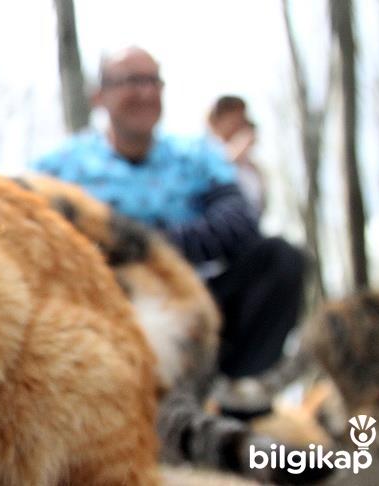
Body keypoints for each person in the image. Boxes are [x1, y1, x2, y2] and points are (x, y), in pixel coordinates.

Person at [32, 47, 305, 407]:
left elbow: (239, 222)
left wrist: (149, 248)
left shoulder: (196, 156)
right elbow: (29, 234)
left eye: (153, 80)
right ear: (100, 96)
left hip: (198, 299)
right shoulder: (60, 166)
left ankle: (235, 399)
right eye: (132, 80)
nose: (146, 92)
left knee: (282, 258)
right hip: (106, 305)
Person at [207, 95, 267, 215]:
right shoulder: (204, 152)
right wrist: (235, 153)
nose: (241, 123)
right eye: (234, 118)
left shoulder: (251, 168)